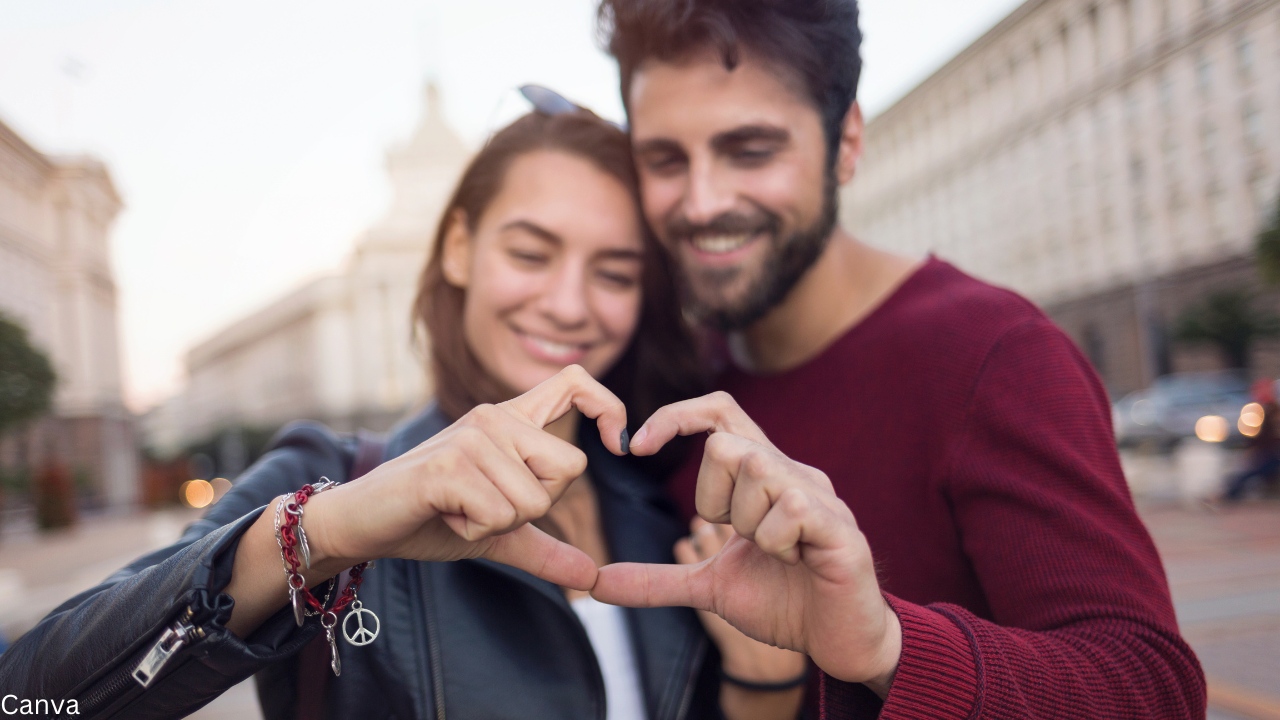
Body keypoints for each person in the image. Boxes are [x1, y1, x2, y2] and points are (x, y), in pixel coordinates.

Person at [0, 108, 805, 719]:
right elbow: (28, 696)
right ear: (457, 248)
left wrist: (764, 681)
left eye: (616, 273)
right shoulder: (332, 483)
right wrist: (323, 537)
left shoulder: (660, 508)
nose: (568, 305)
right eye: (529, 253)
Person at [587, 0, 1208, 717]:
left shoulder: (994, 353)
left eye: (750, 150)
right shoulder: (671, 379)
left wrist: (887, 645)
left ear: (846, 141)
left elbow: (1152, 690)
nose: (700, 202)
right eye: (664, 159)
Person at [1223, 379, 1280, 501]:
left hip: (1272, 456)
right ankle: (1226, 495)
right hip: (1269, 454)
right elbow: (1259, 438)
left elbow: (1266, 439)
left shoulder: (1271, 413)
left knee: (1248, 473)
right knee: (1245, 472)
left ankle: (1227, 496)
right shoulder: (1263, 412)